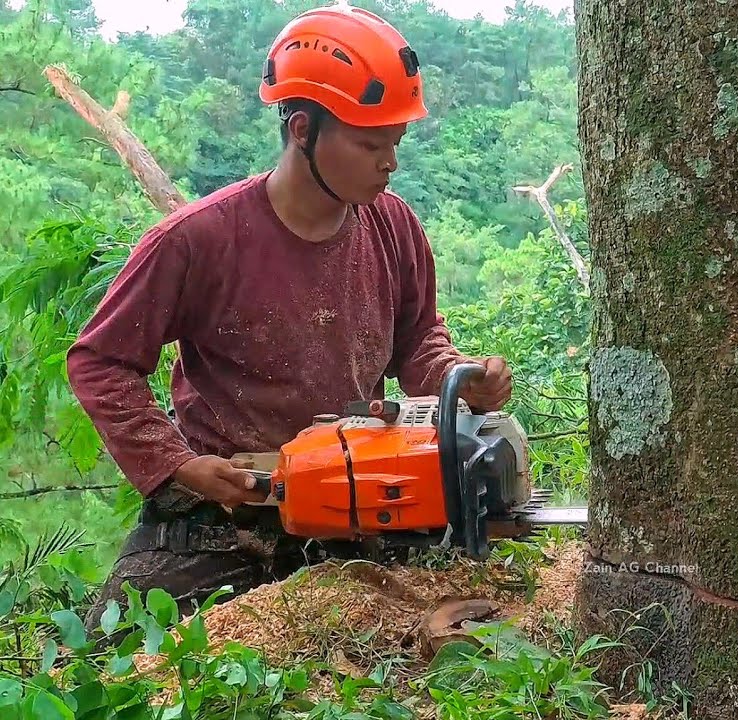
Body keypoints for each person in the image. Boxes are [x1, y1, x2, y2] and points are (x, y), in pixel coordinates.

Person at [65, 3, 512, 632]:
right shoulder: (199, 241)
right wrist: (176, 464)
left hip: (359, 502)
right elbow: (100, 362)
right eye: (368, 143)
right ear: (302, 129)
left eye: (396, 142)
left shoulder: (394, 227)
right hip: (227, 512)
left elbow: (419, 343)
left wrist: (458, 379)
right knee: (114, 648)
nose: (390, 162)